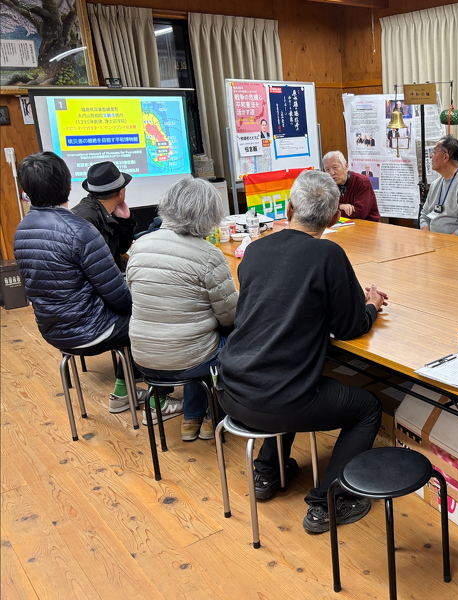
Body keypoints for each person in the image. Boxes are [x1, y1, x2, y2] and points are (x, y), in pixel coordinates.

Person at [217, 169, 388, 533]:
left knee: (281, 375)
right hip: (280, 399)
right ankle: (330, 501)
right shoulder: (329, 255)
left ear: (289, 209)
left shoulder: (256, 250)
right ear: (335, 217)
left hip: (231, 389)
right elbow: (349, 326)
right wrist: (370, 306)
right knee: (368, 407)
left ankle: (267, 473)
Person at [13, 152, 177, 415]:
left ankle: (124, 392)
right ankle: (158, 402)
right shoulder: (79, 229)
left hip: (52, 330)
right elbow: (117, 295)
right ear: (68, 186)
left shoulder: (22, 229)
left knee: (136, 316)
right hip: (89, 329)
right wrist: (146, 307)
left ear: (27, 191)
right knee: (152, 319)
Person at [126, 178, 238, 441]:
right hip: (189, 360)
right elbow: (230, 316)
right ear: (210, 214)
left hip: (144, 358)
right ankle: (215, 416)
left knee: (194, 338)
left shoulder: (139, 247)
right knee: (228, 340)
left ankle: (191, 417)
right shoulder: (209, 255)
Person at [71, 161, 136, 272]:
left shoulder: (108, 211)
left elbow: (121, 249)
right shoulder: (87, 218)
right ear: (120, 193)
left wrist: (125, 220)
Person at [419, 135, 458, 239]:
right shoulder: (435, 184)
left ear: (445, 157)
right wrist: (427, 236)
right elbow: (424, 214)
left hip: (457, 245)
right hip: (434, 242)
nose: (431, 156)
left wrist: (447, 242)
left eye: (434, 152)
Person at [322, 150, 380, 221]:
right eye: (327, 170)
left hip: (367, 224)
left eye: (335, 167)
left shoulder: (362, 182)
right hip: (342, 224)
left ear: (345, 166)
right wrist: (340, 206)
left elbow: (360, 213)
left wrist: (333, 211)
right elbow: (323, 207)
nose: (332, 173)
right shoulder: (328, 184)